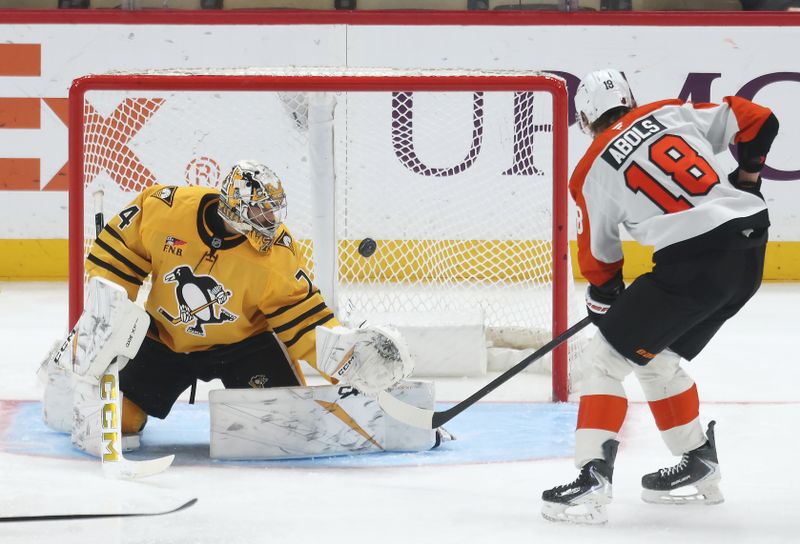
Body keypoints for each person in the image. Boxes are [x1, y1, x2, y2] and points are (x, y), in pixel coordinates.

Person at [42, 160, 424, 456]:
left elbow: (303, 322)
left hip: (246, 347)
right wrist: (107, 316)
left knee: (287, 425)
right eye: (261, 213)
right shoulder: (165, 208)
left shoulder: (275, 255)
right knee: (116, 421)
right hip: (165, 340)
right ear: (234, 207)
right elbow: (115, 259)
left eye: (273, 212)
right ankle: (65, 385)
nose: (270, 221)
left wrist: (346, 356)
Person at [541, 70, 778, 524]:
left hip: (693, 266)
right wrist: (747, 176)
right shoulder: (670, 111)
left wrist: (604, 296)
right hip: (747, 252)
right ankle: (697, 461)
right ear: (630, 98)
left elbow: (599, 259)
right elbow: (760, 118)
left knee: (604, 361)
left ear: (586, 120)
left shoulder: (590, 169)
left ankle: (591, 477)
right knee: (653, 355)